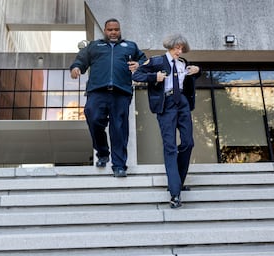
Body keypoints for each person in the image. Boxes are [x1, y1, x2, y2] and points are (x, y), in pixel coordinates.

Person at [70, 18, 147, 177]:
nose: (113, 32)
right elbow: (81, 60)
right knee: (93, 117)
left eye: (116, 29)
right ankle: (103, 152)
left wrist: (139, 65)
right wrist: (76, 68)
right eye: (110, 30)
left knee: (119, 129)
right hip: (97, 90)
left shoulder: (130, 46)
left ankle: (119, 165)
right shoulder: (94, 46)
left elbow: (143, 59)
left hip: (121, 92)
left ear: (120, 31)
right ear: (105, 31)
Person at [132, 34, 200, 208]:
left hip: (183, 104)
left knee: (188, 143)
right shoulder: (156, 61)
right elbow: (136, 75)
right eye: (176, 48)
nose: (179, 51)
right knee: (170, 147)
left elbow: (188, 80)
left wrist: (197, 71)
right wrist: (155, 77)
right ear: (170, 46)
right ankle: (175, 192)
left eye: (181, 48)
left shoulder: (183, 63)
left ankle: (177, 180)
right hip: (166, 104)